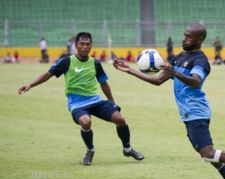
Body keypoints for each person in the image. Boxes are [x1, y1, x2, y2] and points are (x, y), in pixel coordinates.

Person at [113, 24, 225, 179]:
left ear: (199, 40)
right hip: (188, 114)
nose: (184, 38)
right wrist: (129, 70)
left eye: (188, 36)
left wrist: (176, 73)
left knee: (208, 153)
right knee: (206, 152)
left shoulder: (200, 61)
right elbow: (158, 80)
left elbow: (196, 81)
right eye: (184, 35)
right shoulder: (179, 57)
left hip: (197, 112)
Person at [18, 32, 144, 166]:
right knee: (85, 122)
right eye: (82, 44)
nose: (85, 47)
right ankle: (90, 150)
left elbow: (103, 83)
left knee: (120, 119)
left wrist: (112, 101)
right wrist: (30, 85)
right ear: (76, 45)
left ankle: (128, 149)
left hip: (95, 100)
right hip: (77, 104)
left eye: (87, 44)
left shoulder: (95, 63)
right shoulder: (67, 61)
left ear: (91, 46)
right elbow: (47, 74)